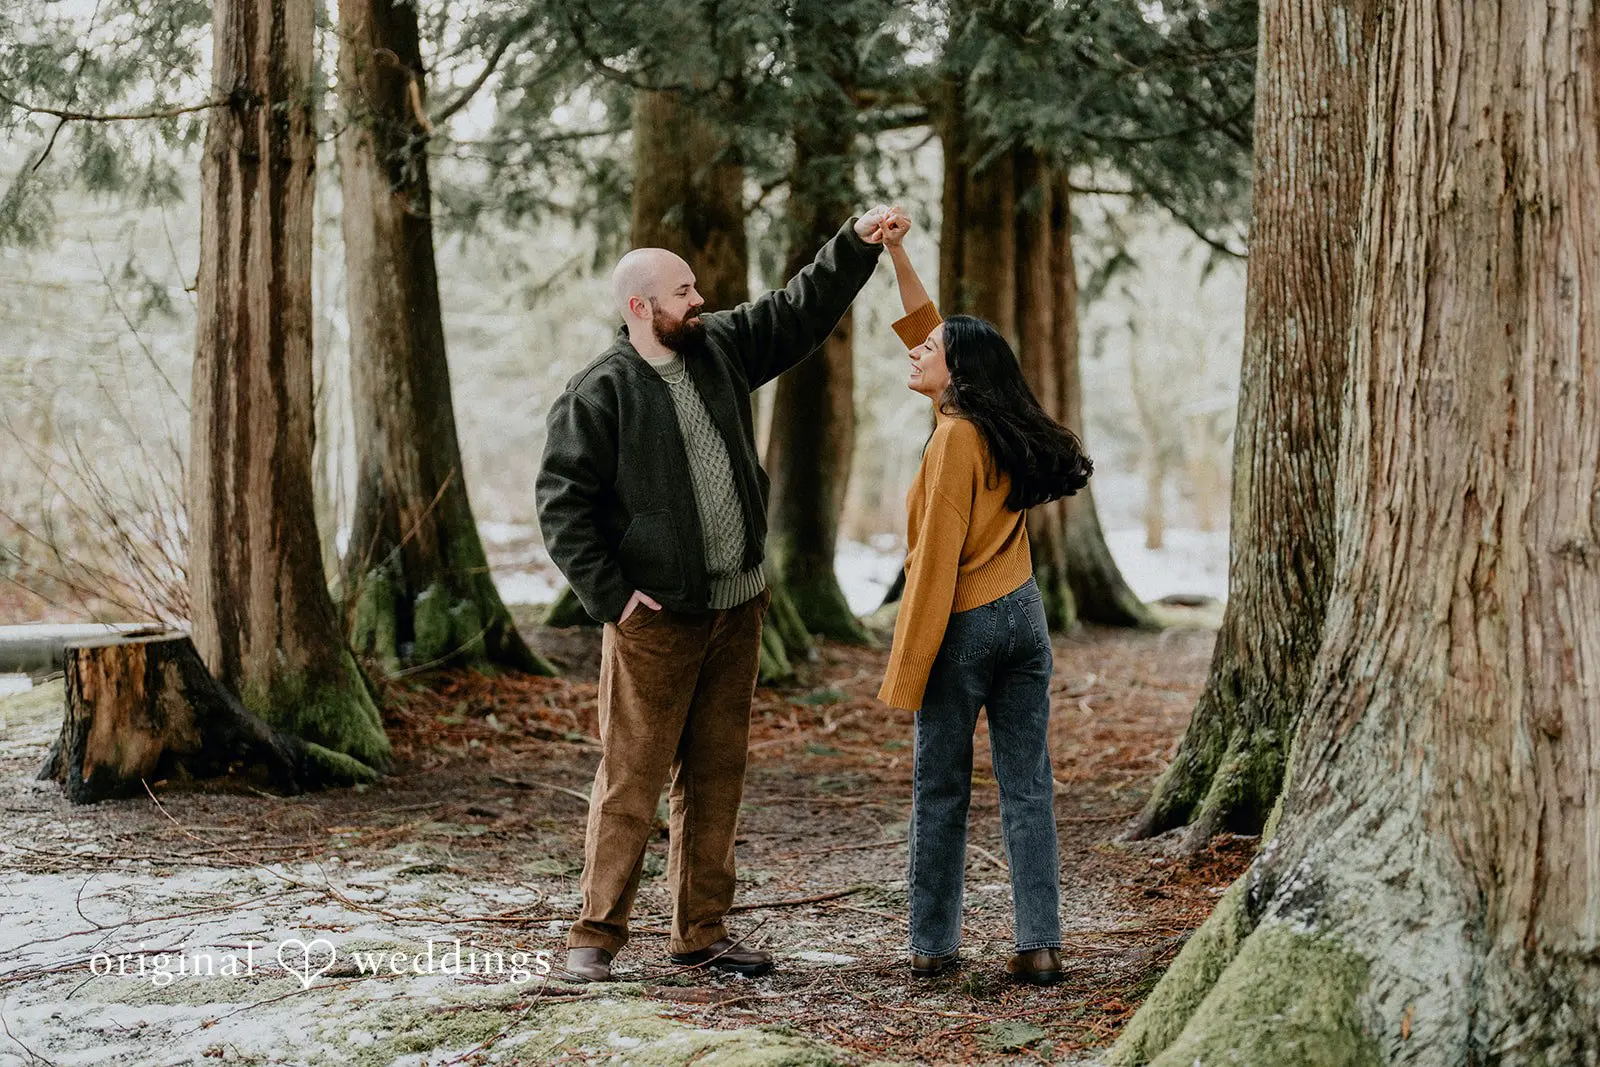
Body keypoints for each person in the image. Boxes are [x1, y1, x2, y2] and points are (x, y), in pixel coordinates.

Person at [535, 207, 895, 983]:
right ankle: (594, 933)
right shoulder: (599, 392)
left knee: (716, 773)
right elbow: (562, 503)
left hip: (737, 612)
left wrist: (855, 243)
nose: (699, 299)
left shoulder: (720, 347)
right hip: (655, 621)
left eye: (696, 287)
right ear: (641, 308)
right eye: (683, 290)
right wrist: (613, 595)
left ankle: (702, 929)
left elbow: (795, 309)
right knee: (631, 776)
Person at [874, 208, 1092, 985]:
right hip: (1024, 616)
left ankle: (932, 944)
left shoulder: (952, 438)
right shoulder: (996, 424)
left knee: (941, 787)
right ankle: (1040, 941)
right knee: (1027, 783)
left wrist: (907, 666)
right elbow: (926, 324)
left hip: (964, 622)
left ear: (956, 372)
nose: (916, 350)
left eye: (929, 351)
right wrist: (898, 252)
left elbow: (933, 564)